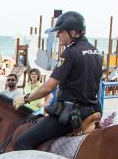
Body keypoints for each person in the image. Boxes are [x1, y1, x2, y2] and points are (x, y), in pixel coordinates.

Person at [14, 11, 102, 149]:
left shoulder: (70, 52)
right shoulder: (95, 51)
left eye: (60, 31)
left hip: (72, 114)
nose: (57, 35)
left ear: (72, 32)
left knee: (21, 142)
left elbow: (48, 87)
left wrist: (26, 99)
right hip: (91, 109)